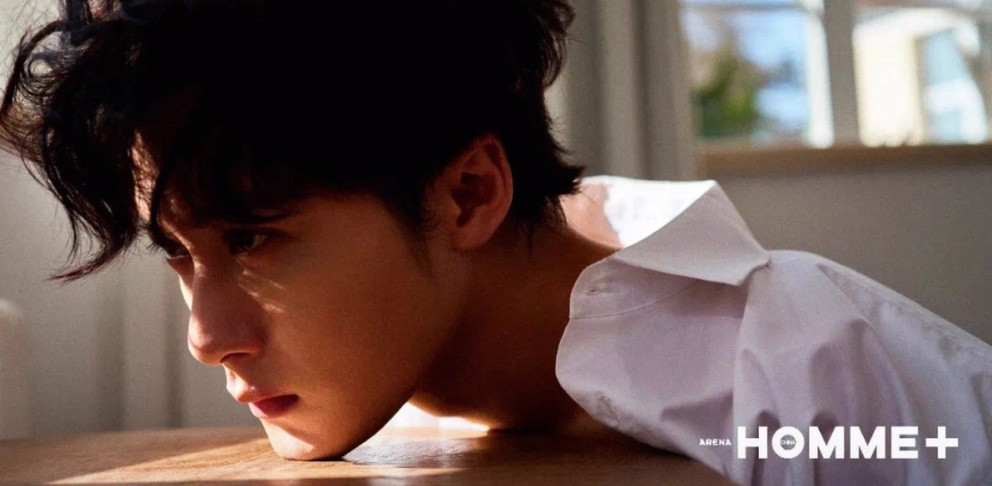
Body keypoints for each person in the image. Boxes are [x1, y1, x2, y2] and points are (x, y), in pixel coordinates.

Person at [0, 1, 988, 484]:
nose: (206, 339)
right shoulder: (374, 382)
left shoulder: (808, 362)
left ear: (467, 193)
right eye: (179, 254)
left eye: (253, 237)